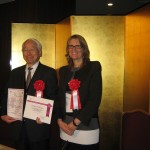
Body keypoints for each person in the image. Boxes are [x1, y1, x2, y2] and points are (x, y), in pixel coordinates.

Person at [0, 38, 58, 150]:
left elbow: (54, 98)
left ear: (40, 52)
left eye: (32, 49)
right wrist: (2, 113)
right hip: (18, 128)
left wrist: (45, 116)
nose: (29, 53)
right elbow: (6, 95)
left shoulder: (49, 72)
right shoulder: (15, 73)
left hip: (38, 128)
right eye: (25, 50)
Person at [57, 34, 102, 150]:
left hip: (85, 124)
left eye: (78, 46)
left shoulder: (93, 67)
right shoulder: (63, 71)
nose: (74, 49)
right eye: (70, 46)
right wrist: (59, 120)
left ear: (84, 49)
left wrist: (75, 123)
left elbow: (94, 100)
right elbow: (59, 98)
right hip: (65, 125)